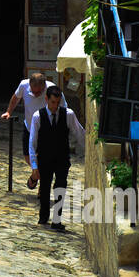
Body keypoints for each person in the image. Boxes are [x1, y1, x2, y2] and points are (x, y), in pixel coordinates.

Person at [28, 85, 85, 231]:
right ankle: (43, 216)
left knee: (60, 186)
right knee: (45, 186)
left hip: (62, 158)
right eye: (53, 102)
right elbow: (32, 142)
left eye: (57, 103)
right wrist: (34, 166)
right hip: (45, 158)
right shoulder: (37, 116)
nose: (55, 106)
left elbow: (79, 133)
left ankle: (57, 220)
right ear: (46, 99)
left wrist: (88, 149)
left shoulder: (68, 114)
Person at [2, 72, 67, 186]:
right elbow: (15, 98)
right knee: (28, 157)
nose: (36, 94)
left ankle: (40, 184)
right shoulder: (23, 85)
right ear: (30, 84)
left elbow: (64, 108)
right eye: (34, 91)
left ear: (44, 86)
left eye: (39, 92)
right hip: (29, 127)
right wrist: (8, 111)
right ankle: (35, 174)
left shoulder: (52, 89)